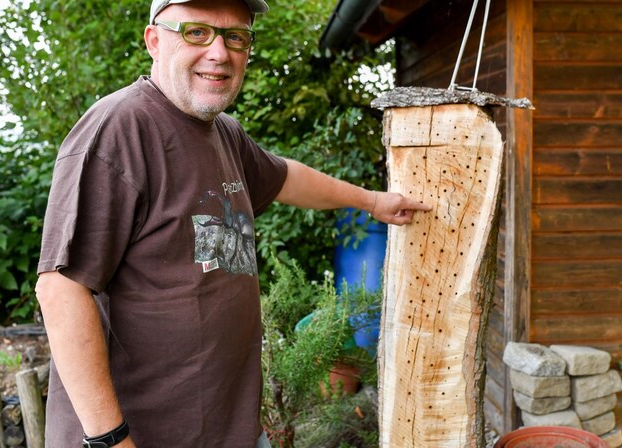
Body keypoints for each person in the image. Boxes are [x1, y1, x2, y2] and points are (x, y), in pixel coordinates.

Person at [35, 0, 431, 446]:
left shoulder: (223, 132)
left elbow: (285, 177)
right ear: (154, 41)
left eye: (235, 36)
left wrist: (372, 201)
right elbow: (61, 288)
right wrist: (110, 439)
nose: (220, 53)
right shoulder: (119, 130)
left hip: (228, 430)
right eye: (197, 32)